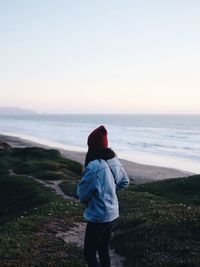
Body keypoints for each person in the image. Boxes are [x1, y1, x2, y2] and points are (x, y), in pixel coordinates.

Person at [77, 125, 129, 267]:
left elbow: (82, 195)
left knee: (89, 253)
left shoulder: (94, 166)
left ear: (92, 147)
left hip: (99, 216)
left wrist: (101, 193)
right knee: (103, 248)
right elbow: (125, 182)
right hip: (113, 213)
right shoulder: (114, 161)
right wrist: (110, 191)